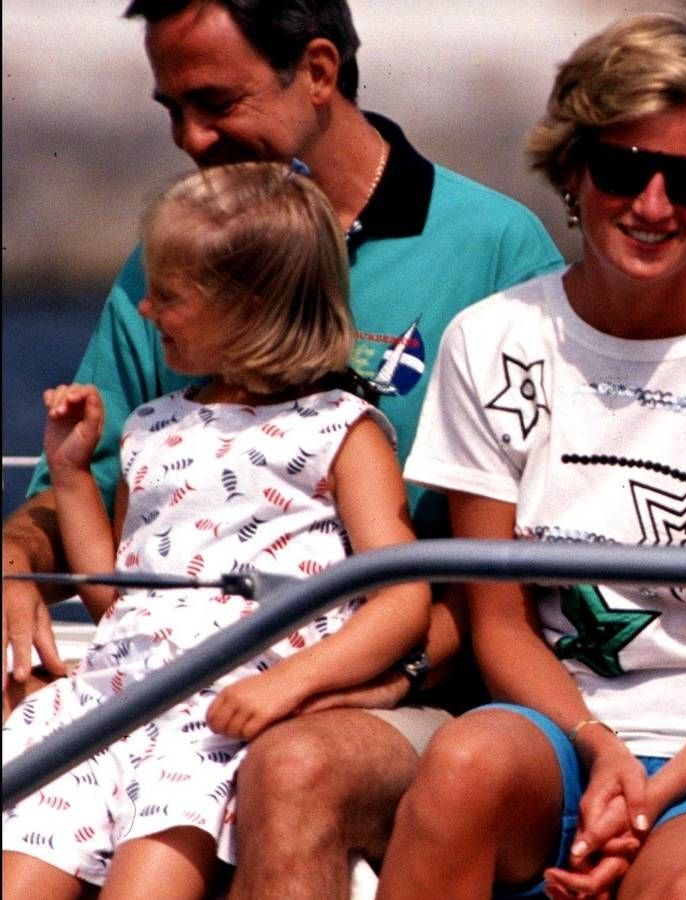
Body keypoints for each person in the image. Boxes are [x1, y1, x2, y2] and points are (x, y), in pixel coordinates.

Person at [0, 2, 563, 896]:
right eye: (171, 109)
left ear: (319, 71)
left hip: (418, 694)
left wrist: (365, 676)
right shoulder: (181, 255)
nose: (191, 139)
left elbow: (526, 560)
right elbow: (102, 504)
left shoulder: (495, 249)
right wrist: (15, 566)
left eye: (217, 103)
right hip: (172, 681)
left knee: (294, 766)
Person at [377, 13, 686, 900]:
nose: (654, 206)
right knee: (461, 766)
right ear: (573, 170)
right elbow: (500, 624)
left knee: (678, 889)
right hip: (555, 731)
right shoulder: (491, 340)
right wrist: (600, 750)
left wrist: (649, 796)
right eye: (624, 169)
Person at [1, 162, 431, 900]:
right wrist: (70, 474)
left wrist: (291, 684)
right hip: (105, 705)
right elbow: (118, 602)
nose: (144, 308)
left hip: (214, 727)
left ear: (248, 307)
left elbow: (400, 598)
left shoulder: (341, 431)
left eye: (168, 295)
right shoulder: (152, 426)